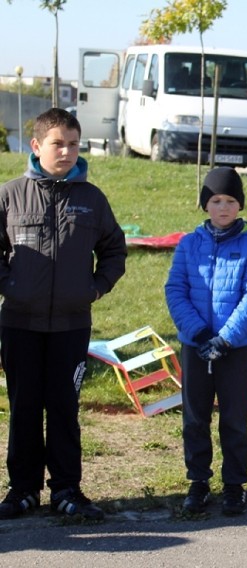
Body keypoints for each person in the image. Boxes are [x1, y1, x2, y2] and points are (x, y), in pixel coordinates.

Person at [0, 107, 127, 520]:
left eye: (74, 144)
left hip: (71, 326)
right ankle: (22, 490)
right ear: (37, 146)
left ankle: (67, 490)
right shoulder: (10, 195)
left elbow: (114, 250)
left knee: (63, 409)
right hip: (19, 323)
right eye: (58, 143)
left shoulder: (91, 199)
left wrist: (95, 287)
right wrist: (10, 286)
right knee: (23, 408)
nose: (68, 151)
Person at [164, 167, 247, 516]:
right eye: (216, 200)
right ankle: (198, 482)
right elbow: (175, 290)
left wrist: (225, 338)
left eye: (230, 200)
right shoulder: (188, 244)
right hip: (196, 347)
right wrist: (200, 333)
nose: (223, 207)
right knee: (195, 418)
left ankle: (235, 485)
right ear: (205, 205)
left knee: (234, 419)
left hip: (235, 349)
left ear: (240, 205)